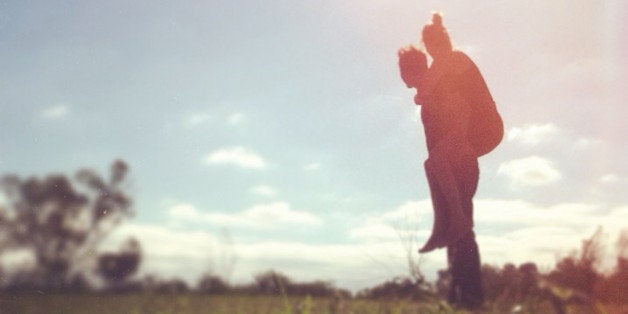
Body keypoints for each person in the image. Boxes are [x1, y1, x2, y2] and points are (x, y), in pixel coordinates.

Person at [398, 13, 495, 310]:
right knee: (456, 227)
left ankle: (470, 299)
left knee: (461, 225)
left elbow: (461, 108)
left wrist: (459, 143)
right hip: (458, 157)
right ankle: (459, 295)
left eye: (407, 77)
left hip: (468, 151)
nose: (408, 87)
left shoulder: (449, 67)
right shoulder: (438, 82)